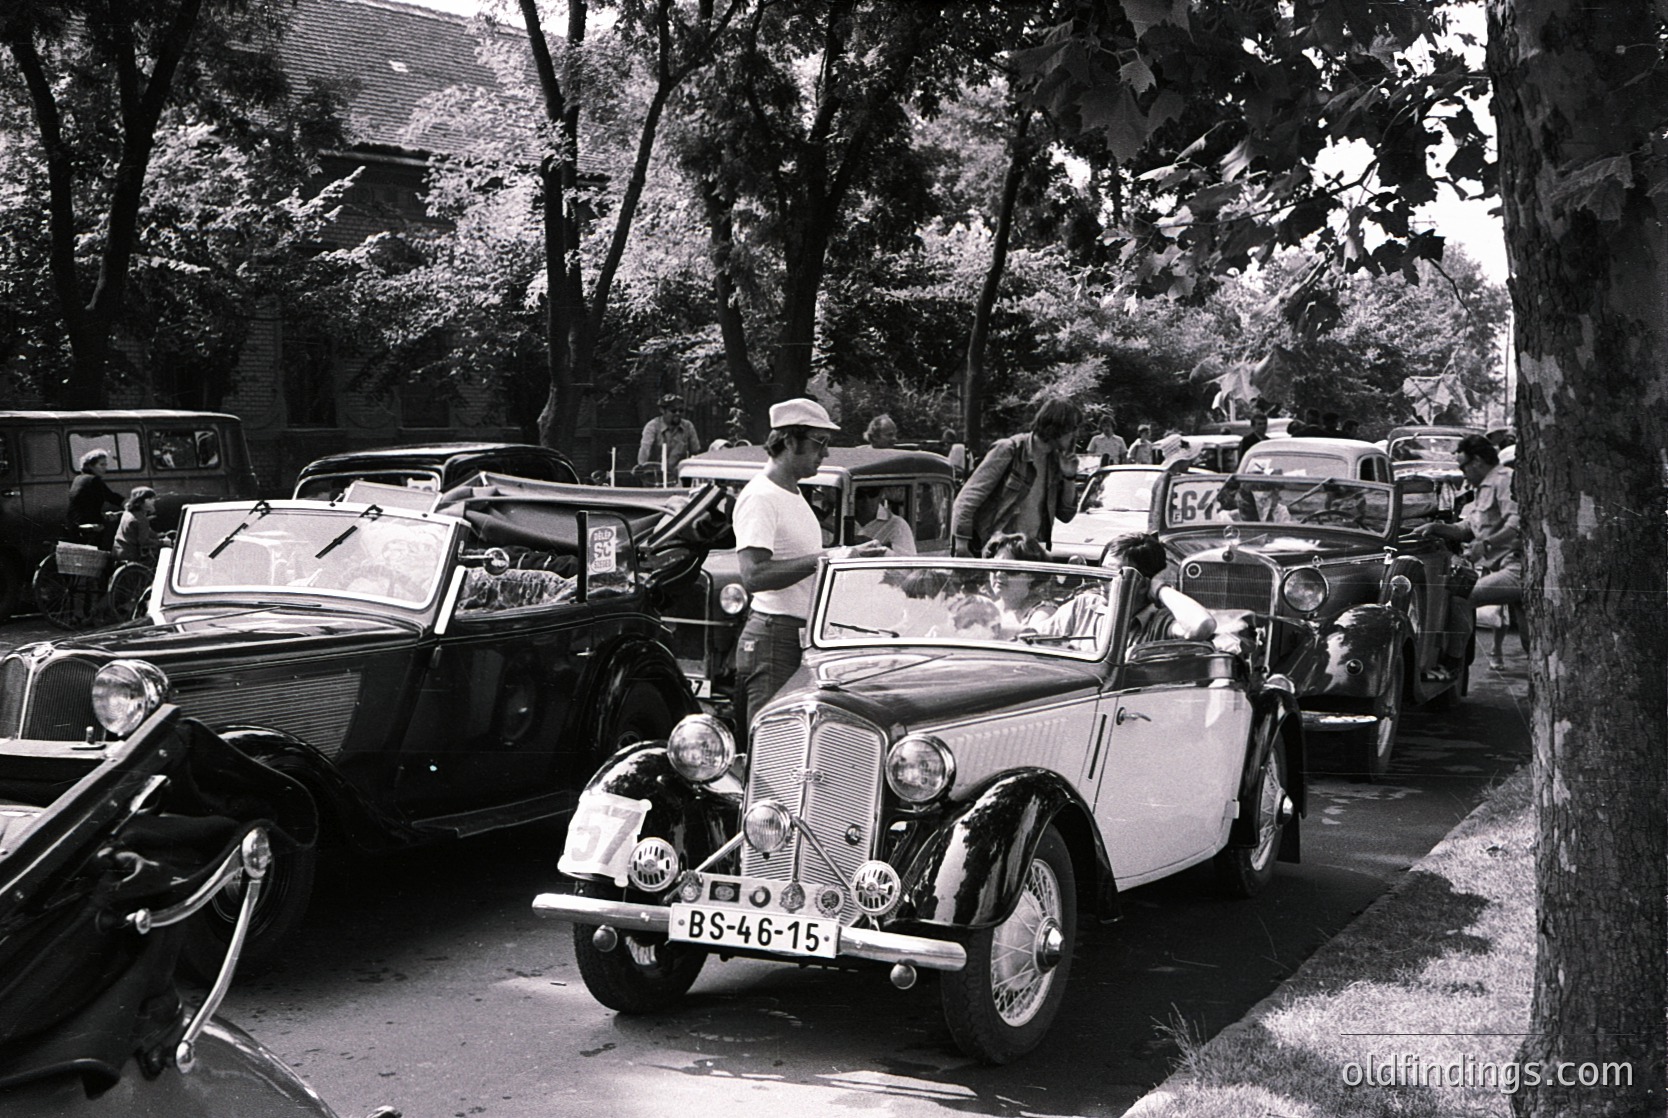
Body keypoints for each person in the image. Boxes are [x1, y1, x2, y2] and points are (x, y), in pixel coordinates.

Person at [733, 398, 887, 725]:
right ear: (790, 441)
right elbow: (753, 575)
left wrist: (851, 557)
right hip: (775, 637)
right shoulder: (761, 496)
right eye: (820, 443)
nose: (826, 453)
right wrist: (829, 556)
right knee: (772, 738)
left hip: (797, 636)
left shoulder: (792, 494)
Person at [1413, 433, 1521, 678]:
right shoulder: (1483, 487)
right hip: (1501, 566)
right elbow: (1468, 528)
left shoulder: (1504, 480)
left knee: (1461, 595)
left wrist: (1486, 544)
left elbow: (1517, 524)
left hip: (1517, 566)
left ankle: (1453, 662)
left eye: (1464, 467)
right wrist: (1436, 528)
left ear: (1478, 461)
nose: (1463, 473)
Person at [950, 396, 1082, 555]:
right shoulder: (1010, 450)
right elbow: (967, 499)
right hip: (995, 549)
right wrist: (962, 545)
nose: (1076, 434)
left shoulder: (1055, 462)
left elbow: (1066, 515)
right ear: (1057, 426)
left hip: (1030, 551)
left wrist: (1069, 477)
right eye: (1073, 428)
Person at [981, 532, 1057, 632]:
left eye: (1009, 569)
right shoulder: (986, 608)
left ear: (1031, 575)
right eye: (994, 567)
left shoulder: (1043, 613)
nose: (999, 574)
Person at [637, 393, 701, 477]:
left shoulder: (688, 426)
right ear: (662, 410)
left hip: (679, 475)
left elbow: (695, 452)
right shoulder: (653, 426)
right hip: (655, 475)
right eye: (673, 410)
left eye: (681, 410)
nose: (678, 413)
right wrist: (642, 468)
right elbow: (645, 449)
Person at [65, 448, 122, 542]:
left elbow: (85, 506)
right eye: (101, 465)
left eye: (106, 464)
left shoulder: (78, 479)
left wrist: (103, 515)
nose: (105, 468)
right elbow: (112, 497)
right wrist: (129, 503)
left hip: (75, 525)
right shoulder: (93, 480)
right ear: (90, 466)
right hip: (89, 526)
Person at [113, 486, 169, 564]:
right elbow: (144, 541)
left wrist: (157, 535)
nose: (154, 501)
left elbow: (140, 531)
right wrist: (163, 542)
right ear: (141, 501)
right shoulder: (141, 519)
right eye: (150, 499)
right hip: (131, 555)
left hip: (118, 551)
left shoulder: (128, 513)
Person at [855, 485, 917, 555]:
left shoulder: (898, 525)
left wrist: (881, 548)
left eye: (873, 493)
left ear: (881, 494)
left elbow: (908, 559)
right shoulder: (844, 521)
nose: (867, 500)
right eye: (859, 495)